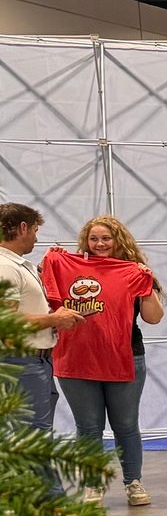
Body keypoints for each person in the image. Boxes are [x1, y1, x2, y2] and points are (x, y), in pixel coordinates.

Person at [40, 215, 167, 516]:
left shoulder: (131, 272)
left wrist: (146, 284)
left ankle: (133, 482)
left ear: (118, 241)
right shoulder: (64, 266)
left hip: (125, 357)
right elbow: (48, 302)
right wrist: (50, 266)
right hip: (76, 359)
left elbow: (154, 318)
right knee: (88, 428)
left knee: (126, 425)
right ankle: (92, 485)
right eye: (93, 239)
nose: (99, 245)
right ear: (85, 241)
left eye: (106, 239)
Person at [0, 203, 81, 496]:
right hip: (21, 363)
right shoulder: (6, 267)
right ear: (22, 228)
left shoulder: (17, 265)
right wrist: (54, 319)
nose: (36, 237)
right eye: (35, 230)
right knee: (32, 439)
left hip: (35, 362)